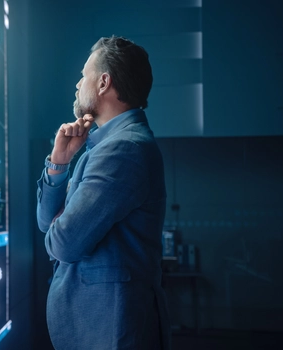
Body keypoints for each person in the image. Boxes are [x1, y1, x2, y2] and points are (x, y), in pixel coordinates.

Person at [36, 36, 170, 349]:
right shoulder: (102, 147)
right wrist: (59, 163)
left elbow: (64, 244)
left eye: (84, 75)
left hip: (110, 333)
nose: (77, 84)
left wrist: (63, 223)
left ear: (103, 83)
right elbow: (46, 222)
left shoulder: (124, 149)